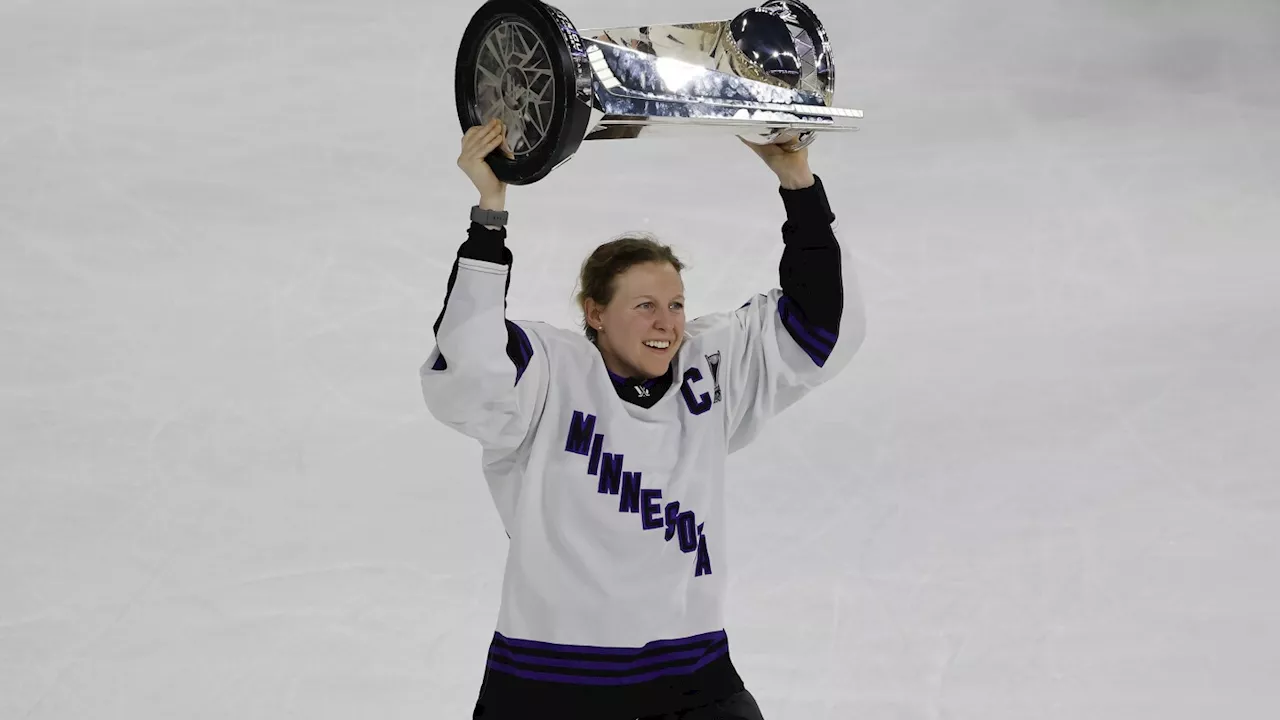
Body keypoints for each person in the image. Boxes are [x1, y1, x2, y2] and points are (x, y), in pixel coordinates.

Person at [420, 118, 866, 720]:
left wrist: (797, 181)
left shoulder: (708, 370)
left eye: (677, 305)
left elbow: (821, 325)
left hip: (693, 677)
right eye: (646, 306)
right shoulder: (548, 373)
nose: (667, 323)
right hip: (550, 682)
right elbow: (469, 367)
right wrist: (489, 214)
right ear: (595, 313)